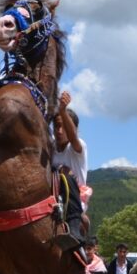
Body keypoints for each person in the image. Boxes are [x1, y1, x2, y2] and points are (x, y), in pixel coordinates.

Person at [51, 92, 89, 250]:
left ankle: (74, 228)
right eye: (56, 126)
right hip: (52, 195)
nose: (59, 131)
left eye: (64, 126)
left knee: (67, 176)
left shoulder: (78, 147)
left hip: (74, 200)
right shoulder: (50, 145)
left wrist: (62, 110)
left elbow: (73, 139)